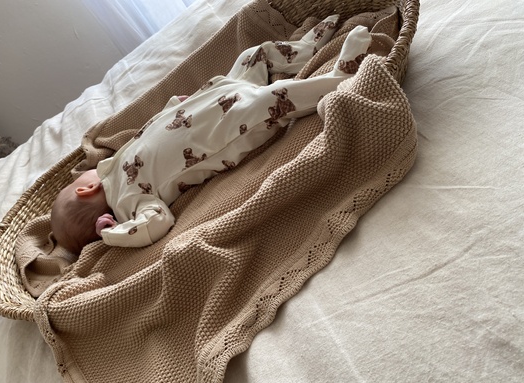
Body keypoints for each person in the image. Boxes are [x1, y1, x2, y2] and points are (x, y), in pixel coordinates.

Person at [50, 18, 372, 254]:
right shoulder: (130, 204)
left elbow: (149, 132)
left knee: (253, 55)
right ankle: (337, 79)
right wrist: (113, 233)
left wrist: (174, 106)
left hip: (215, 97)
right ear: (87, 188)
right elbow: (157, 223)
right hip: (231, 127)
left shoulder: (114, 166)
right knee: (272, 100)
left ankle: (304, 50)